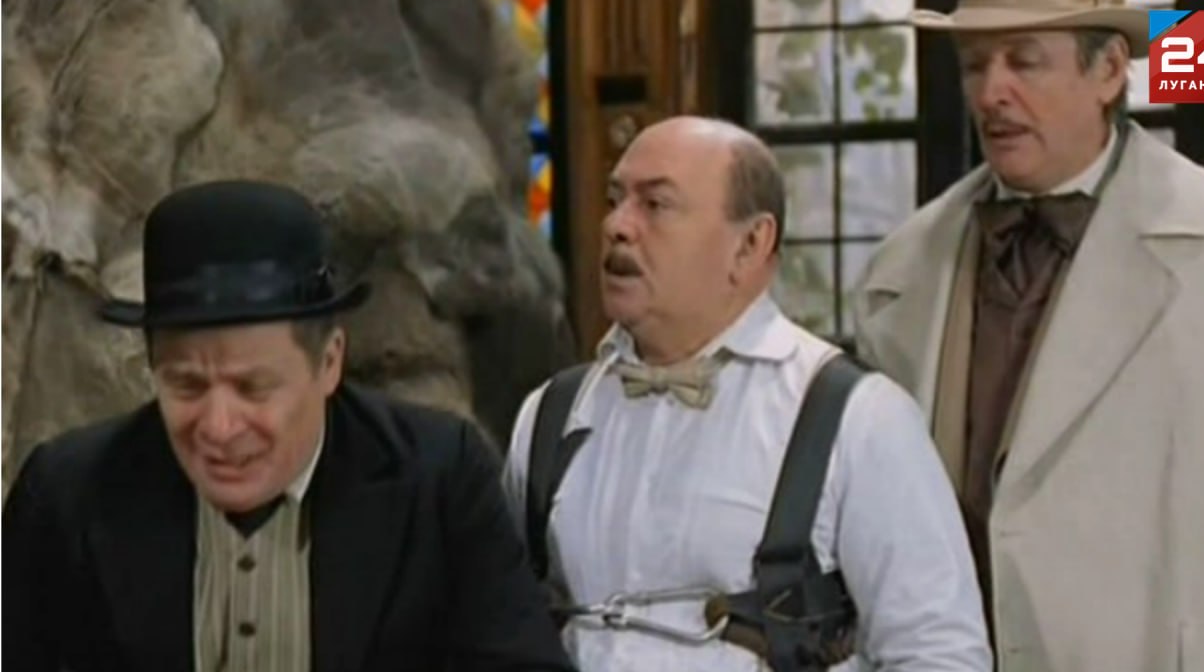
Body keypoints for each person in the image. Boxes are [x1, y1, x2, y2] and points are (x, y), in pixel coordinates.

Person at [849, 0, 1204, 671]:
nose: (992, 92)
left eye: (1024, 61)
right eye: (975, 64)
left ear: (1107, 71)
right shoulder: (901, 271)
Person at [2, 180, 576, 672]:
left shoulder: (440, 481)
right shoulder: (66, 495)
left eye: (253, 388)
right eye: (186, 386)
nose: (219, 427)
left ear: (329, 363)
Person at [502, 116, 992, 671]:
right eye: (615, 200)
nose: (617, 225)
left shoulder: (859, 419)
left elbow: (940, 655)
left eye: (655, 204)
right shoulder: (550, 415)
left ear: (751, 243)